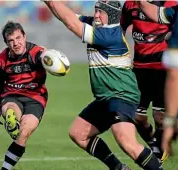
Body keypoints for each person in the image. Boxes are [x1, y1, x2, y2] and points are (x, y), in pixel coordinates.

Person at [44, 1, 162, 169]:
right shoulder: (97, 25)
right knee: (78, 134)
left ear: (112, 15)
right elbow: (67, 17)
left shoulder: (110, 35)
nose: (97, 15)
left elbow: (71, 24)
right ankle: (119, 168)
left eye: (101, 12)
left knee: (126, 142)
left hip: (122, 95)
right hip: (106, 97)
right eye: (96, 11)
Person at [120, 0, 176, 162]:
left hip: (162, 68)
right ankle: (154, 144)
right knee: (137, 117)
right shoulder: (130, 4)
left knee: (159, 116)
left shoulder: (169, 4)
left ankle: (158, 152)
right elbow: (121, 29)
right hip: (139, 68)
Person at [0, 21, 50, 170]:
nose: (15, 43)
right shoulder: (1, 59)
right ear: (6, 43)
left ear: (24, 36)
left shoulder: (37, 53)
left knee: (23, 134)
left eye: (18, 38)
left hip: (35, 98)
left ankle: (5, 168)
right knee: (10, 110)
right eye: (11, 40)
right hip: (12, 95)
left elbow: (49, 59)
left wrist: (50, 57)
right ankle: (11, 119)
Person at [137, 0, 178, 157]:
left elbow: (174, 75)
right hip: (143, 70)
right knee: (139, 116)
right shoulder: (173, 11)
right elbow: (153, 12)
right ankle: (156, 146)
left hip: (162, 73)